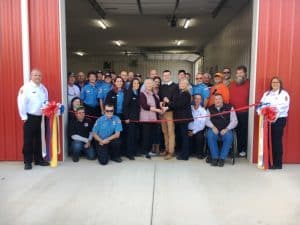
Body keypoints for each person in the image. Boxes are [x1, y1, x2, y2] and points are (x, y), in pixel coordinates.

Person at [17, 69, 50, 170]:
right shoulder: (25, 88)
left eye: (39, 75)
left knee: (39, 140)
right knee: (28, 140)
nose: (38, 77)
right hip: (30, 117)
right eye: (35, 75)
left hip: (42, 117)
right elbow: (21, 102)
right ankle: (27, 161)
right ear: (31, 76)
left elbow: (46, 101)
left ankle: (39, 159)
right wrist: (24, 116)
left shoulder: (43, 88)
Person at [257, 76, 290, 169]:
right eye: (273, 82)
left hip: (279, 120)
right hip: (267, 121)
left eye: (277, 82)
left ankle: (277, 164)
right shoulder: (267, 94)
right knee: (267, 141)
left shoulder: (284, 94)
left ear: (280, 84)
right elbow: (260, 105)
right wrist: (260, 111)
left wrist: (271, 111)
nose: (275, 84)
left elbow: (283, 106)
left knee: (276, 141)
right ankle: (267, 162)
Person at [206, 94, 238, 167]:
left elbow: (234, 121)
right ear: (214, 101)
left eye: (219, 99)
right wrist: (213, 127)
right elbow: (206, 120)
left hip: (226, 129)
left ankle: (222, 159)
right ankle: (215, 158)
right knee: (210, 135)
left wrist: (227, 129)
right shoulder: (210, 108)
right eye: (216, 99)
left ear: (222, 100)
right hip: (214, 129)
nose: (218, 101)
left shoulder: (230, 107)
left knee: (229, 137)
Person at [165, 78, 193, 160]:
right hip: (180, 118)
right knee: (182, 136)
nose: (181, 84)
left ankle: (185, 155)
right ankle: (183, 153)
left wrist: (168, 101)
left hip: (184, 118)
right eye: (180, 83)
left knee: (185, 137)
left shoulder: (186, 94)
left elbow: (178, 105)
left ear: (187, 85)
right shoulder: (181, 92)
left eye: (184, 83)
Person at [229, 65, 250, 157]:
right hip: (233, 112)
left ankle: (242, 150)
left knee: (242, 132)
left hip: (244, 113)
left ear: (245, 73)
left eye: (241, 72)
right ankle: (233, 149)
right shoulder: (232, 84)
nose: (239, 75)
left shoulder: (249, 84)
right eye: (237, 73)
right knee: (232, 131)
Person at [159, 70, 179, 160]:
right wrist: (160, 104)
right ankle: (166, 149)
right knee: (165, 132)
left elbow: (175, 101)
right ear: (163, 77)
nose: (166, 77)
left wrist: (168, 104)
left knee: (171, 132)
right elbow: (160, 98)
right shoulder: (162, 87)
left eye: (167, 75)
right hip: (162, 112)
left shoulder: (175, 86)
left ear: (170, 76)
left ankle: (171, 151)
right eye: (164, 75)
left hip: (170, 112)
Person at [140, 78, 162, 159]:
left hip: (154, 118)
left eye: (150, 83)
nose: (149, 85)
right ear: (145, 85)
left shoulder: (154, 94)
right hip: (146, 118)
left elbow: (158, 104)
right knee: (146, 136)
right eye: (148, 83)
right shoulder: (142, 93)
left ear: (153, 85)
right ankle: (145, 152)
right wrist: (156, 109)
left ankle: (149, 150)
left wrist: (161, 109)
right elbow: (144, 106)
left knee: (151, 135)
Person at [123, 78, 141, 160]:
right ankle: (129, 153)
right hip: (130, 119)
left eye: (138, 83)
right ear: (132, 84)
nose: (136, 84)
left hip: (137, 118)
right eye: (134, 83)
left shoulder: (138, 93)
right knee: (130, 136)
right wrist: (126, 117)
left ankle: (134, 151)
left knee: (136, 136)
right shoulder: (129, 92)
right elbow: (125, 105)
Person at [188, 94, 207, 159]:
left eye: (199, 99)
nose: (197, 100)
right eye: (196, 98)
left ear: (201, 100)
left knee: (199, 137)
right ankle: (189, 152)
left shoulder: (203, 111)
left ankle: (199, 153)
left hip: (198, 130)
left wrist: (193, 132)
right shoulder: (190, 108)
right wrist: (189, 130)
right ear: (193, 100)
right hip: (189, 129)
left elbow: (202, 125)